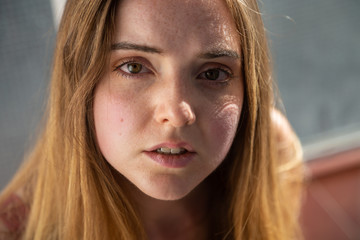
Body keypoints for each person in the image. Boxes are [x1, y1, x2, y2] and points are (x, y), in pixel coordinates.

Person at [0, 0, 304, 239]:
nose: (176, 113)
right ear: (79, 80)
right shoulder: (15, 231)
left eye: (213, 73)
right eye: (134, 67)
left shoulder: (274, 154)